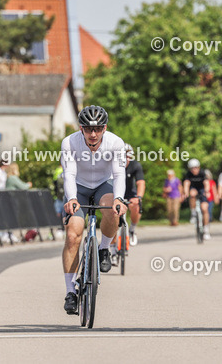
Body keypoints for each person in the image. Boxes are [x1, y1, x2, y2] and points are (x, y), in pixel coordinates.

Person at [60, 106, 128, 315]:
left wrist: (119, 199)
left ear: (104, 128)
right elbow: (69, 174)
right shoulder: (69, 142)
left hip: (103, 185)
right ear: (81, 129)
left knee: (112, 209)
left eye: (97, 129)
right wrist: (72, 198)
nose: (93, 134)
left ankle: (103, 248)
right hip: (78, 188)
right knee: (73, 235)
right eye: (88, 129)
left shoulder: (115, 143)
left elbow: (119, 174)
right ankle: (70, 291)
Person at [183, 159, 211, 239]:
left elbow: (206, 183)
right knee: (192, 194)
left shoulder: (202, 173)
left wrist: (207, 191)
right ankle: (193, 213)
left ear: (198, 167)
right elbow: (186, 183)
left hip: (202, 190)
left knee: (204, 208)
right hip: (193, 189)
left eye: (195, 168)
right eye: (192, 168)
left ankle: (206, 229)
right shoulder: (188, 174)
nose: (194, 170)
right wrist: (185, 192)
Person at [124, 147, 145, 246]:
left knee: (136, 206)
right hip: (115, 192)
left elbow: (141, 183)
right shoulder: (111, 165)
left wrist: (139, 197)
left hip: (129, 192)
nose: (125, 159)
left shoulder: (135, 165)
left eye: (127, 157)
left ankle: (132, 229)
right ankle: (112, 246)